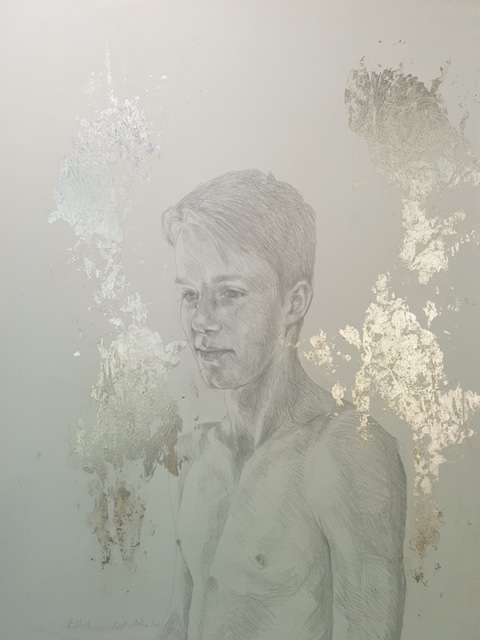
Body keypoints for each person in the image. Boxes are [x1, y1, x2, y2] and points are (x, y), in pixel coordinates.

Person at [158, 169, 406, 640]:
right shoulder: (193, 456)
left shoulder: (346, 450)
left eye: (229, 294)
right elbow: (178, 623)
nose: (201, 321)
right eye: (189, 295)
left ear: (294, 303)